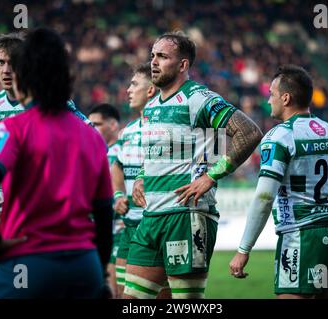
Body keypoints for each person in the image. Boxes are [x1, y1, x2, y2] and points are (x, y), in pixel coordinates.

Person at [0, 27, 113, 299]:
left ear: (22, 79)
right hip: (82, 266)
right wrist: (99, 271)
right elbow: (104, 213)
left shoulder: (11, 128)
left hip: (25, 262)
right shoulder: (92, 137)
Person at [124, 32, 263, 299]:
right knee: (130, 300)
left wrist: (211, 176)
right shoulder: (152, 105)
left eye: (163, 57)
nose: (154, 62)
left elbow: (249, 132)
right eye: (153, 56)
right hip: (151, 217)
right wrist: (142, 176)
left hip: (186, 217)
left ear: (183, 65)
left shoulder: (198, 98)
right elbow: (155, 153)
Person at [229, 65, 328, 299]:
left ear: (285, 98)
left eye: (271, 94)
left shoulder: (279, 137)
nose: (268, 100)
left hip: (301, 235)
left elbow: (265, 197)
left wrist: (243, 249)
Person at [0, 32, 91, 176]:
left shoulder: (51, 101)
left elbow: (95, 140)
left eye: (13, 63)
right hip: (3, 197)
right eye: (1, 62)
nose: (6, 71)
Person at [112, 62, 170, 298]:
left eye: (134, 84)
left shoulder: (167, 127)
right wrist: (117, 195)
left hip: (155, 226)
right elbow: (117, 164)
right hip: (129, 226)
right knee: (121, 295)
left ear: (150, 91)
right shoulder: (128, 131)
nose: (128, 90)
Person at [88, 103, 122, 298]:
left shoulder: (123, 151)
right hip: (97, 229)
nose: (90, 129)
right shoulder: (92, 152)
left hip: (119, 228)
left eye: (96, 124)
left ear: (113, 125)